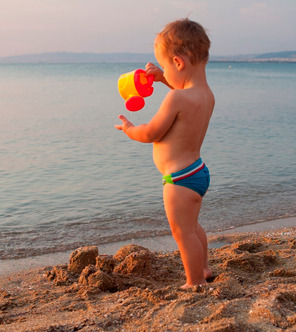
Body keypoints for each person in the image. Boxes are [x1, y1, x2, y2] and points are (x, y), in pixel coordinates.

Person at [115, 18, 215, 289]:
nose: (165, 75)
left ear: (178, 62)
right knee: (193, 228)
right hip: (196, 171)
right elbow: (184, 95)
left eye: (167, 68)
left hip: (179, 180)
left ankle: (194, 282)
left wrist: (130, 129)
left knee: (182, 233)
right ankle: (203, 268)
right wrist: (163, 79)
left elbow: (151, 134)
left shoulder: (176, 99)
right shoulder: (206, 95)